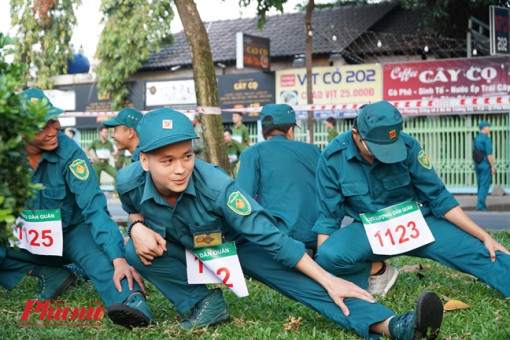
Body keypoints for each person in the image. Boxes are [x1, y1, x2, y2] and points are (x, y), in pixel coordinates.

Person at [116, 107, 444, 340]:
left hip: (238, 245)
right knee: (135, 251)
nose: (180, 169)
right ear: (143, 160)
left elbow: (273, 237)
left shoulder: (217, 188)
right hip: (187, 247)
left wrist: (328, 279)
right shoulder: (127, 181)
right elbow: (133, 207)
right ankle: (203, 303)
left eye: (187, 156)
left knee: (309, 283)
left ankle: (394, 326)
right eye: (167, 161)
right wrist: (136, 226)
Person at [312, 101, 510, 300]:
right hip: (371, 229)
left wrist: (485, 236)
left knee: (483, 253)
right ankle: (379, 271)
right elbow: (328, 218)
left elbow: (439, 196)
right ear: (356, 134)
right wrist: (325, 273)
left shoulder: (408, 146)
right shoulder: (333, 158)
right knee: (328, 255)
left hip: (419, 222)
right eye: (376, 148)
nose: (384, 155)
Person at [0, 88, 154, 329]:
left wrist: (118, 259)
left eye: (54, 120)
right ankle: (51, 273)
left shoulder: (69, 152)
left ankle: (132, 300)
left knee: (106, 263)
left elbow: (93, 206)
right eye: (43, 125)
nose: (54, 130)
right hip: (27, 236)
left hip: (72, 233)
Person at [236, 104, 319, 251]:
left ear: (262, 132)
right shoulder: (314, 151)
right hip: (316, 237)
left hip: (278, 240)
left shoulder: (253, 153)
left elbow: (242, 200)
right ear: (290, 131)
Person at [473, 121, 496, 211]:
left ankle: (480, 204)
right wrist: (492, 166)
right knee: (484, 185)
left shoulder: (476, 138)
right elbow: (489, 155)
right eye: (488, 127)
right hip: (485, 164)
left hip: (477, 163)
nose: (489, 129)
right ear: (484, 127)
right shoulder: (486, 139)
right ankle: (480, 205)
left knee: (479, 184)